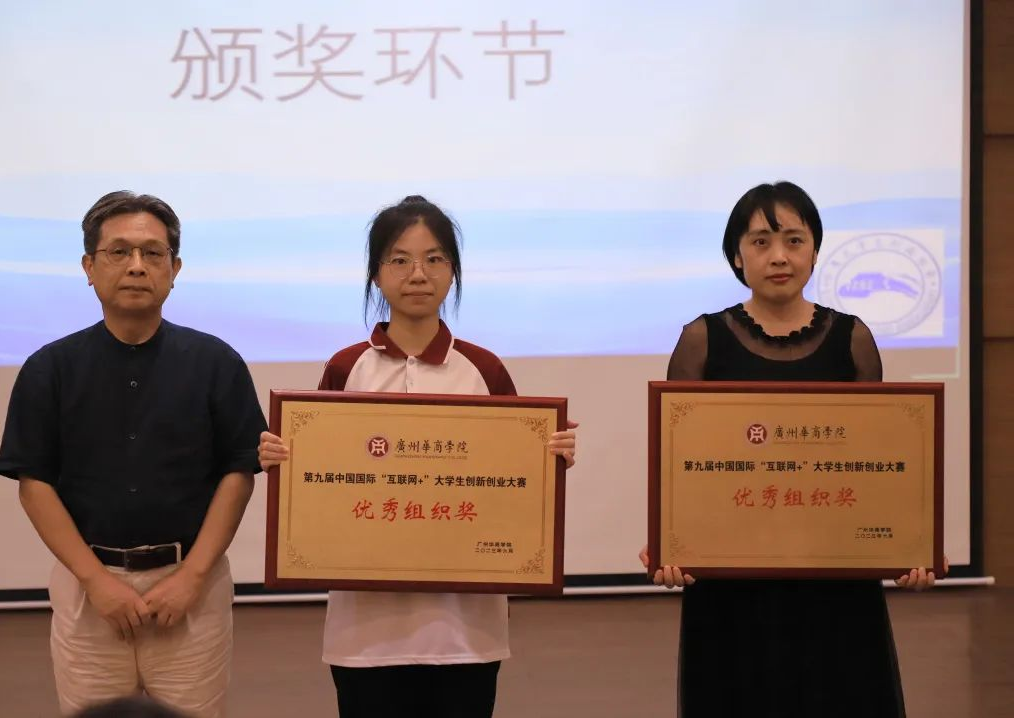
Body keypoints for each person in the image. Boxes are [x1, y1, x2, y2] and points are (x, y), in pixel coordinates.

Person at [258, 195, 578, 718]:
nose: (418, 274)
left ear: (453, 272)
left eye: (434, 259)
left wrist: (551, 457)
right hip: (363, 631)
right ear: (376, 273)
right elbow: (316, 481)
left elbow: (516, 480)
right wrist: (282, 459)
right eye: (399, 259)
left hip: (466, 630)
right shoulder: (345, 368)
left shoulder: (484, 370)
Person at [640, 181, 943, 717]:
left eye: (794, 240)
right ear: (737, 255)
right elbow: (680, 464)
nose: (779, 256)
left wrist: (910, 547)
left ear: (815, 251)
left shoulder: (853, 339)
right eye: (760, 241)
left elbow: (878, 466)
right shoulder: (702, 340)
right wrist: (668, 542)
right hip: (732, 580)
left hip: (835, 576)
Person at [0, 191, 266, 717]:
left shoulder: (216, 362)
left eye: (153, 253)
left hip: (192, 585)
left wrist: (192, 577)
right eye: (119, 252)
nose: (137, 266)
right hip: (89, 589)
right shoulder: (49, 369)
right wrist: (96, 582)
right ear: (89, 267)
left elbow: (239, 473)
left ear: (175, 268)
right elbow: (34, 484)